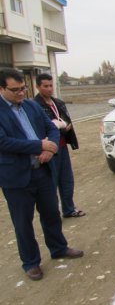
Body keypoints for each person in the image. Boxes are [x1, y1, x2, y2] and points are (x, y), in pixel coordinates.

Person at [0, 68, 83, 281]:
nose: (21, 93)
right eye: (15, 90)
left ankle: (58, 248)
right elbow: (3, 142)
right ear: (2, 88)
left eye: (23, 89)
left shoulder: (31, 106)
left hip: (42, 170)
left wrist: (49, 148)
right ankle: (31, 262)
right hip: (16, 177)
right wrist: (38, 145)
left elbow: (52, 129)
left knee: (51, 213)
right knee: (23, 222)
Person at [34, 73, 85, 218]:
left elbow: (65, 120)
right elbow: (43, 127)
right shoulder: (35, 106)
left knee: (66, 179)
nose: (49, 89)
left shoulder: (58, 103)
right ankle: (52, 214)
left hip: (62, 147)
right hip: (48, 149)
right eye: (45, 86)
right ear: (38, 86)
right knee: (51, 182)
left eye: (51, 86)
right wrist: (58, 127)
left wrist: (66, 126)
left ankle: (69, 209)